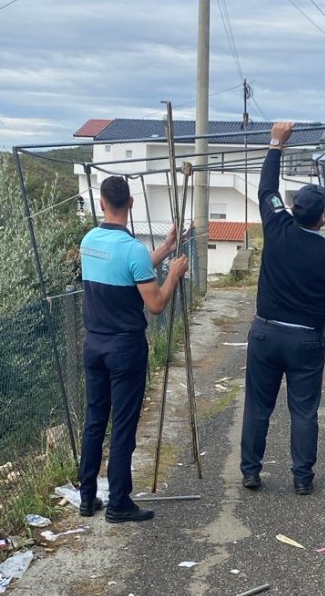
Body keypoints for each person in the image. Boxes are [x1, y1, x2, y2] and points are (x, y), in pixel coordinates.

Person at [240, 122, 325, 495]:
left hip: (266, 332)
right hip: (305, 341)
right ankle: (302, 477)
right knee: (303, 410)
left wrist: (275, 146)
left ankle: (251, 471)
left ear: (294, 209)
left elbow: (266, 189)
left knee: (258, 407)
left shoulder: (277, 225)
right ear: (322, 218)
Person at [78, 176, 188, 524]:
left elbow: (130, 273)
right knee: (123, 425)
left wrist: (166, 249)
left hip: (94, 344)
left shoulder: (89, 241)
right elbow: (155, 303)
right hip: (125, 348)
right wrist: (174, 273)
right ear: (131, 203)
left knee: (95, 421)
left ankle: (86, 498)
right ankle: (119, 503)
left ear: (101, 203)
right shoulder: (132, 248)